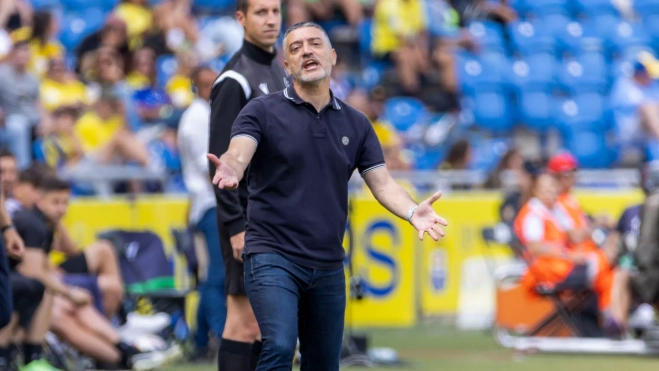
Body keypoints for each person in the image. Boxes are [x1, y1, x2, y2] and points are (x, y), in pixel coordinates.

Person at [208, 22, 448, 370]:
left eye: (315, 44)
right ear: (286, 66)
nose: (307, 51)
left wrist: (413, 211)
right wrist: (231, 166)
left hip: (328, 264)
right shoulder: (261, 111)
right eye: (296, 48)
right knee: (278, 345)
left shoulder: (357, 123)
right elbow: (238, 152)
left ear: (332, 56)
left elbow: (382, 184)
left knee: (323, 363)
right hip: (272, 255)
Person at [11, 176, 168, 370]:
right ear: (39, 200)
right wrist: (68, 292)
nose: (61, 208)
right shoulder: (30, 223)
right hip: (26, 295)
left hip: (38, 290)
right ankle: (122, 356)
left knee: (88, 296)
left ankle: (124, 348)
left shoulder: (42, 224)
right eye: (56, 202)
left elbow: (68, 252)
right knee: (64, 313)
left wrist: (58, 221)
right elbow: (33, 272)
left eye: (65, 203)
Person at [207, 0, 288, 367]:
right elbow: (221, 164)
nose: (270, 19)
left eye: (275, 11)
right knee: (244, 323)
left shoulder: (279, 69)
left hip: (276, 218)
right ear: (241, 19)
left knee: (267, 325)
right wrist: (236, 227)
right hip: (247, 221)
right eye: (261, 12)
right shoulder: (233, 79)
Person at [178, 66, 227, 360]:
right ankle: (220, 339)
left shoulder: (210, 114)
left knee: (217, 277)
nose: (211, 89)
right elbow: (208, 166)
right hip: (212, 204)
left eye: (214, 84)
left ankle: (200, 341)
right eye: (205, 84)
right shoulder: (195, 120)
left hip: (216, 202)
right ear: (195, 87)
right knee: (216, 277)